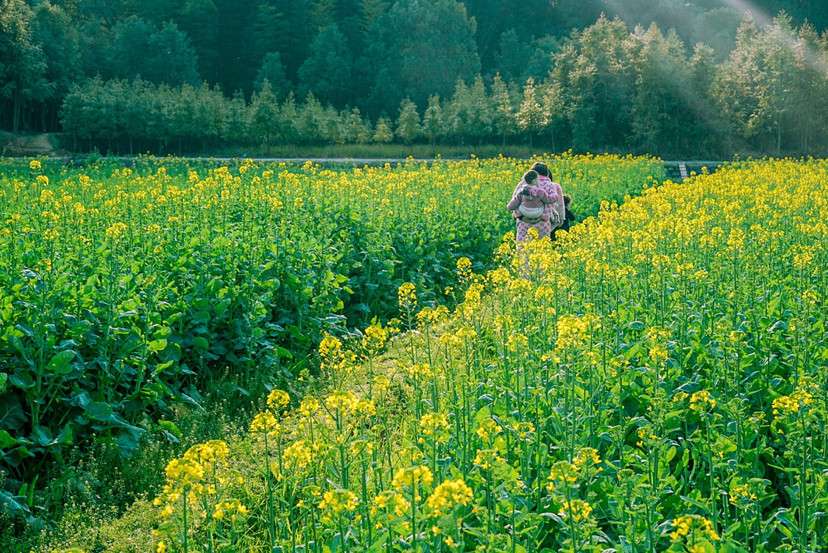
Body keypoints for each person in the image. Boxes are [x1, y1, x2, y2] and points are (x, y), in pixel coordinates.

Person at [507, 167, 561, 242]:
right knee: (542, 245)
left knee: (522, 245)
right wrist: (557, 197)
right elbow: (549, 200)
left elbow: (514, 201)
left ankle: (521, 253)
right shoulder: (547, 187)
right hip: (542, 221)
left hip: (524, 220)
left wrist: (511, 209)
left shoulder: (521, 188)